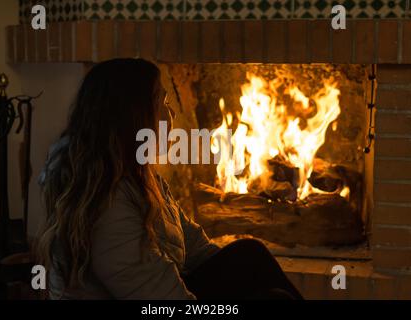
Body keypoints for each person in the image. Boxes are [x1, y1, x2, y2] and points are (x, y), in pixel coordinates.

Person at [36, 58, 303, 300]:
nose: (171, 114)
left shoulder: (137, 175)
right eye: (161, 103)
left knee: (249, 256)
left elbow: (191, 243)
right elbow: (152, 292)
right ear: (133, 116)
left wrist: (239, 277)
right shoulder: (107, 203)